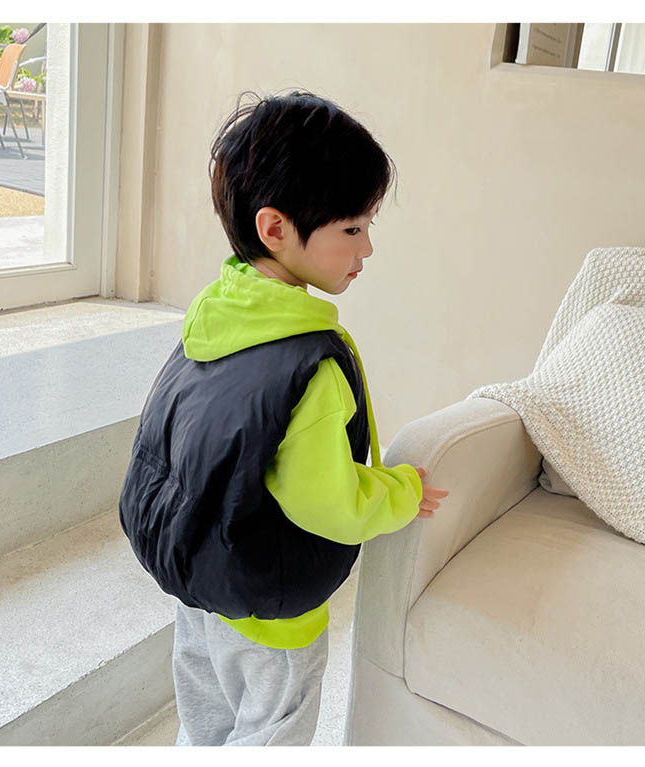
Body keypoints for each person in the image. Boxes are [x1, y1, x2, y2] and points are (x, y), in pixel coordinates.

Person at [118, 89, 449, 747]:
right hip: (269, 607)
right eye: (353, 229)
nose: (367, 248)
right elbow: (328, 503)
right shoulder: (309, 366)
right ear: (274, 229)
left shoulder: (217, 313)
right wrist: (401, 491)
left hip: (200, 578)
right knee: (272, 730)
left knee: (206, 721)